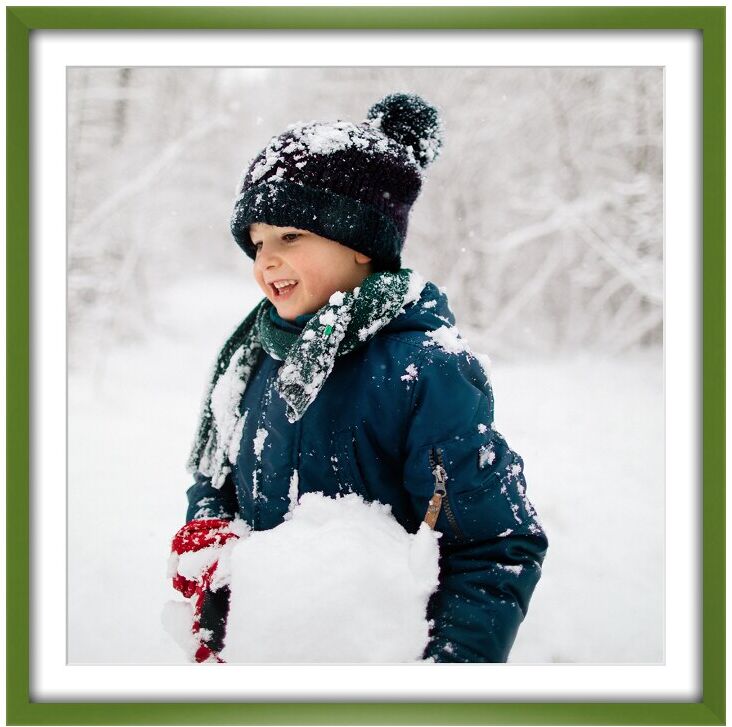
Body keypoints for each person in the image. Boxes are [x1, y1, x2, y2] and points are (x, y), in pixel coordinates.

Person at [168, 92, 548, 663]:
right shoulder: (258, 359)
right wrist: (211, 529)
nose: (266, 260)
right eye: (257, 243)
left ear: (363, 245)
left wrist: (449, 671)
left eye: (290, 236)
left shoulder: (422, 369)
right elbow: (218, 476)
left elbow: (493, 545)